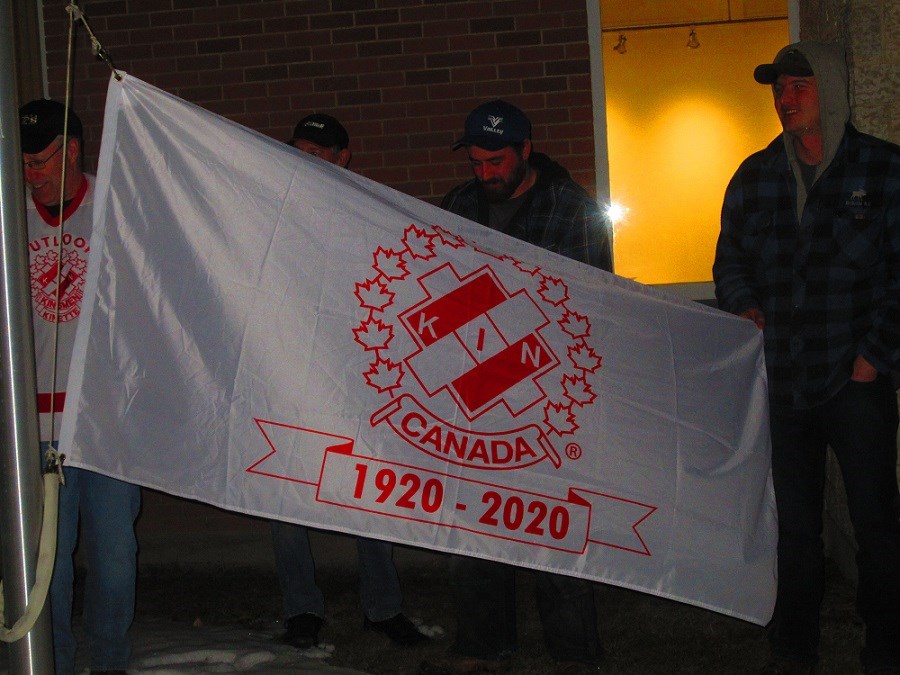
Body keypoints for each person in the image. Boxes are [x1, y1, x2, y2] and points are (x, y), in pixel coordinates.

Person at [713, 42, 900, 674]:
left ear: (832, 91)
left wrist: (876, 356)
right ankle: (794, 647)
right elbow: (730, 261)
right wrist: (743, 307)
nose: (785, 100)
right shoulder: (755, 175)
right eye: (778, 89)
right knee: (794, 526)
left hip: (857, 380)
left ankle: (888, 644)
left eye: (800, 87)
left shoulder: (884, 171)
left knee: (876, 520)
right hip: (784, 379)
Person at [437, 99, 611, 670]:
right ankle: (483, 644)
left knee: (553, 526)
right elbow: (438, 286)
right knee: (475, 522)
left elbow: (581, 309)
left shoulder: (571, 209)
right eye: (477, 163)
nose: (484, 174)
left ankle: (574, 654)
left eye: (496, 162)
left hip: (544, 398)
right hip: (474, 394)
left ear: (525, 151)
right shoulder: (460, 206)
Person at [270, 113, 426, 649]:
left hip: (356, 370)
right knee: (284, 486)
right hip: (288, 363)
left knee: (370, 484)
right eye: (299, 149)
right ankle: (301, 609)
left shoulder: (366, 210)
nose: (306, 159)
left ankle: (382, 608)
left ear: (343, 157)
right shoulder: (273, 206)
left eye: (319, 151)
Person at [20, 99, 142, 674]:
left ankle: (110, 663)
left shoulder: (116, 204)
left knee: (116, 561)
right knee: (50, 566)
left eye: (42, 161)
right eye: (23, 162)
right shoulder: (8, 218)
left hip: (108, 425)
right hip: (37, 430)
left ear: (71, 150)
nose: (32, 174)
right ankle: (56, 665)